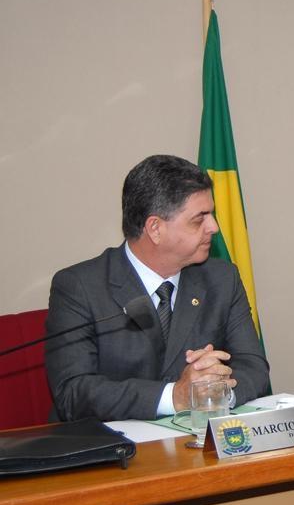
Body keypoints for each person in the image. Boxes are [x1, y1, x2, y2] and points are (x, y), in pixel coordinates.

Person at [45, 155, 270, 421]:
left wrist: (216, 391)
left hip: (198, 440)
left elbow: (253, 367)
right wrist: (174, 396)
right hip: (112, 442)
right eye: (199, 219)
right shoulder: (79, 287)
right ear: (155, 228)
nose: (214, 227)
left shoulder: (222, 278)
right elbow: (72, 392)